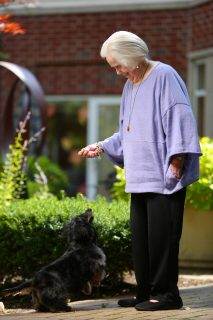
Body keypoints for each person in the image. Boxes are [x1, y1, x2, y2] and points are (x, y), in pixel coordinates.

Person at [78, 31, 201, 311]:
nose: (117, 71)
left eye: (118, 65)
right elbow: (128, 131)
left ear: (132, 58)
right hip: (141, 177)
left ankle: (168, 295)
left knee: (163, 240)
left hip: (164, 177)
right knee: (143, 241)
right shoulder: (131, 84)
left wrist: (176, 164)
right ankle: (146, 292)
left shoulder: (164, 76)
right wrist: (100, 146)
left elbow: (180, 119)